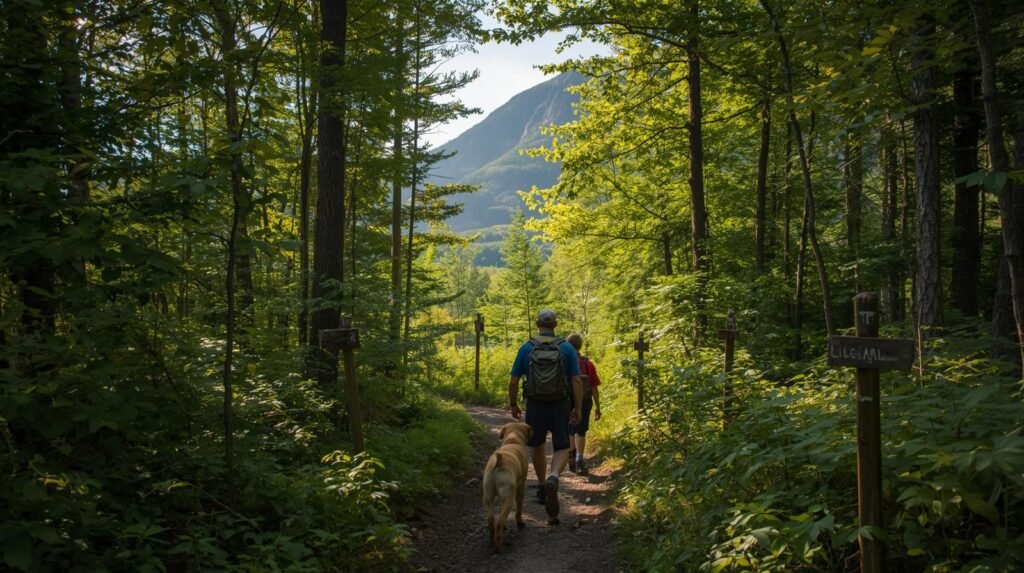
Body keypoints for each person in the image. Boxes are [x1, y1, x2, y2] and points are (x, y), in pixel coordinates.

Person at [508, 309, 583, 523]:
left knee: (537, 444)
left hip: (535, 404)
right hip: (560, 403)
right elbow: (576, 381)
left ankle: (542, 486)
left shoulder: (527, 348)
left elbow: (514, 380)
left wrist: (513, 404)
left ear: (537, 324)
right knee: (561, 446)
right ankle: (554, 477)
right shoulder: (567, 348)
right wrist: (577, 407)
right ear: (555, 325)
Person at [566, 332, 601, 475]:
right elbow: (594, 387)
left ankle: (571, 457)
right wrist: (598, 407)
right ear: (580, 346)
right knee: (580, 430)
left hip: (567, 399)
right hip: (585, 400)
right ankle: (580, 459)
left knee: (570, 428)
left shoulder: (564, 362)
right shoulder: (588, 363)